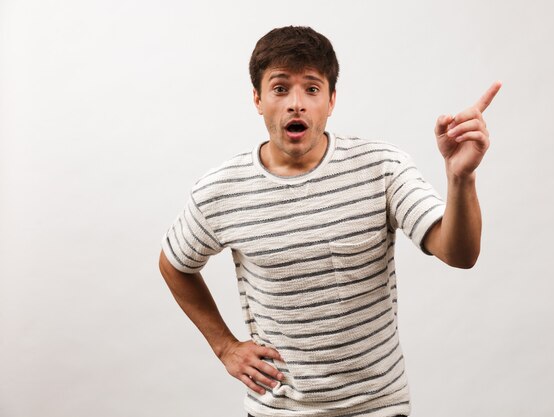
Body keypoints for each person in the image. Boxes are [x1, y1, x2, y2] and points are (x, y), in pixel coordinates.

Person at [158, 26, 501, 417]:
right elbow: (174, 264)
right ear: (257, 98)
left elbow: (459, 253)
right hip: (277, 411)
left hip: (378, 407)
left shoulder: (382, 168)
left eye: (312, 88)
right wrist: (224, 345)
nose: (296, 104)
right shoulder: (222, 190)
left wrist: (461, 178)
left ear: (332, 100)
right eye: (281, 88)